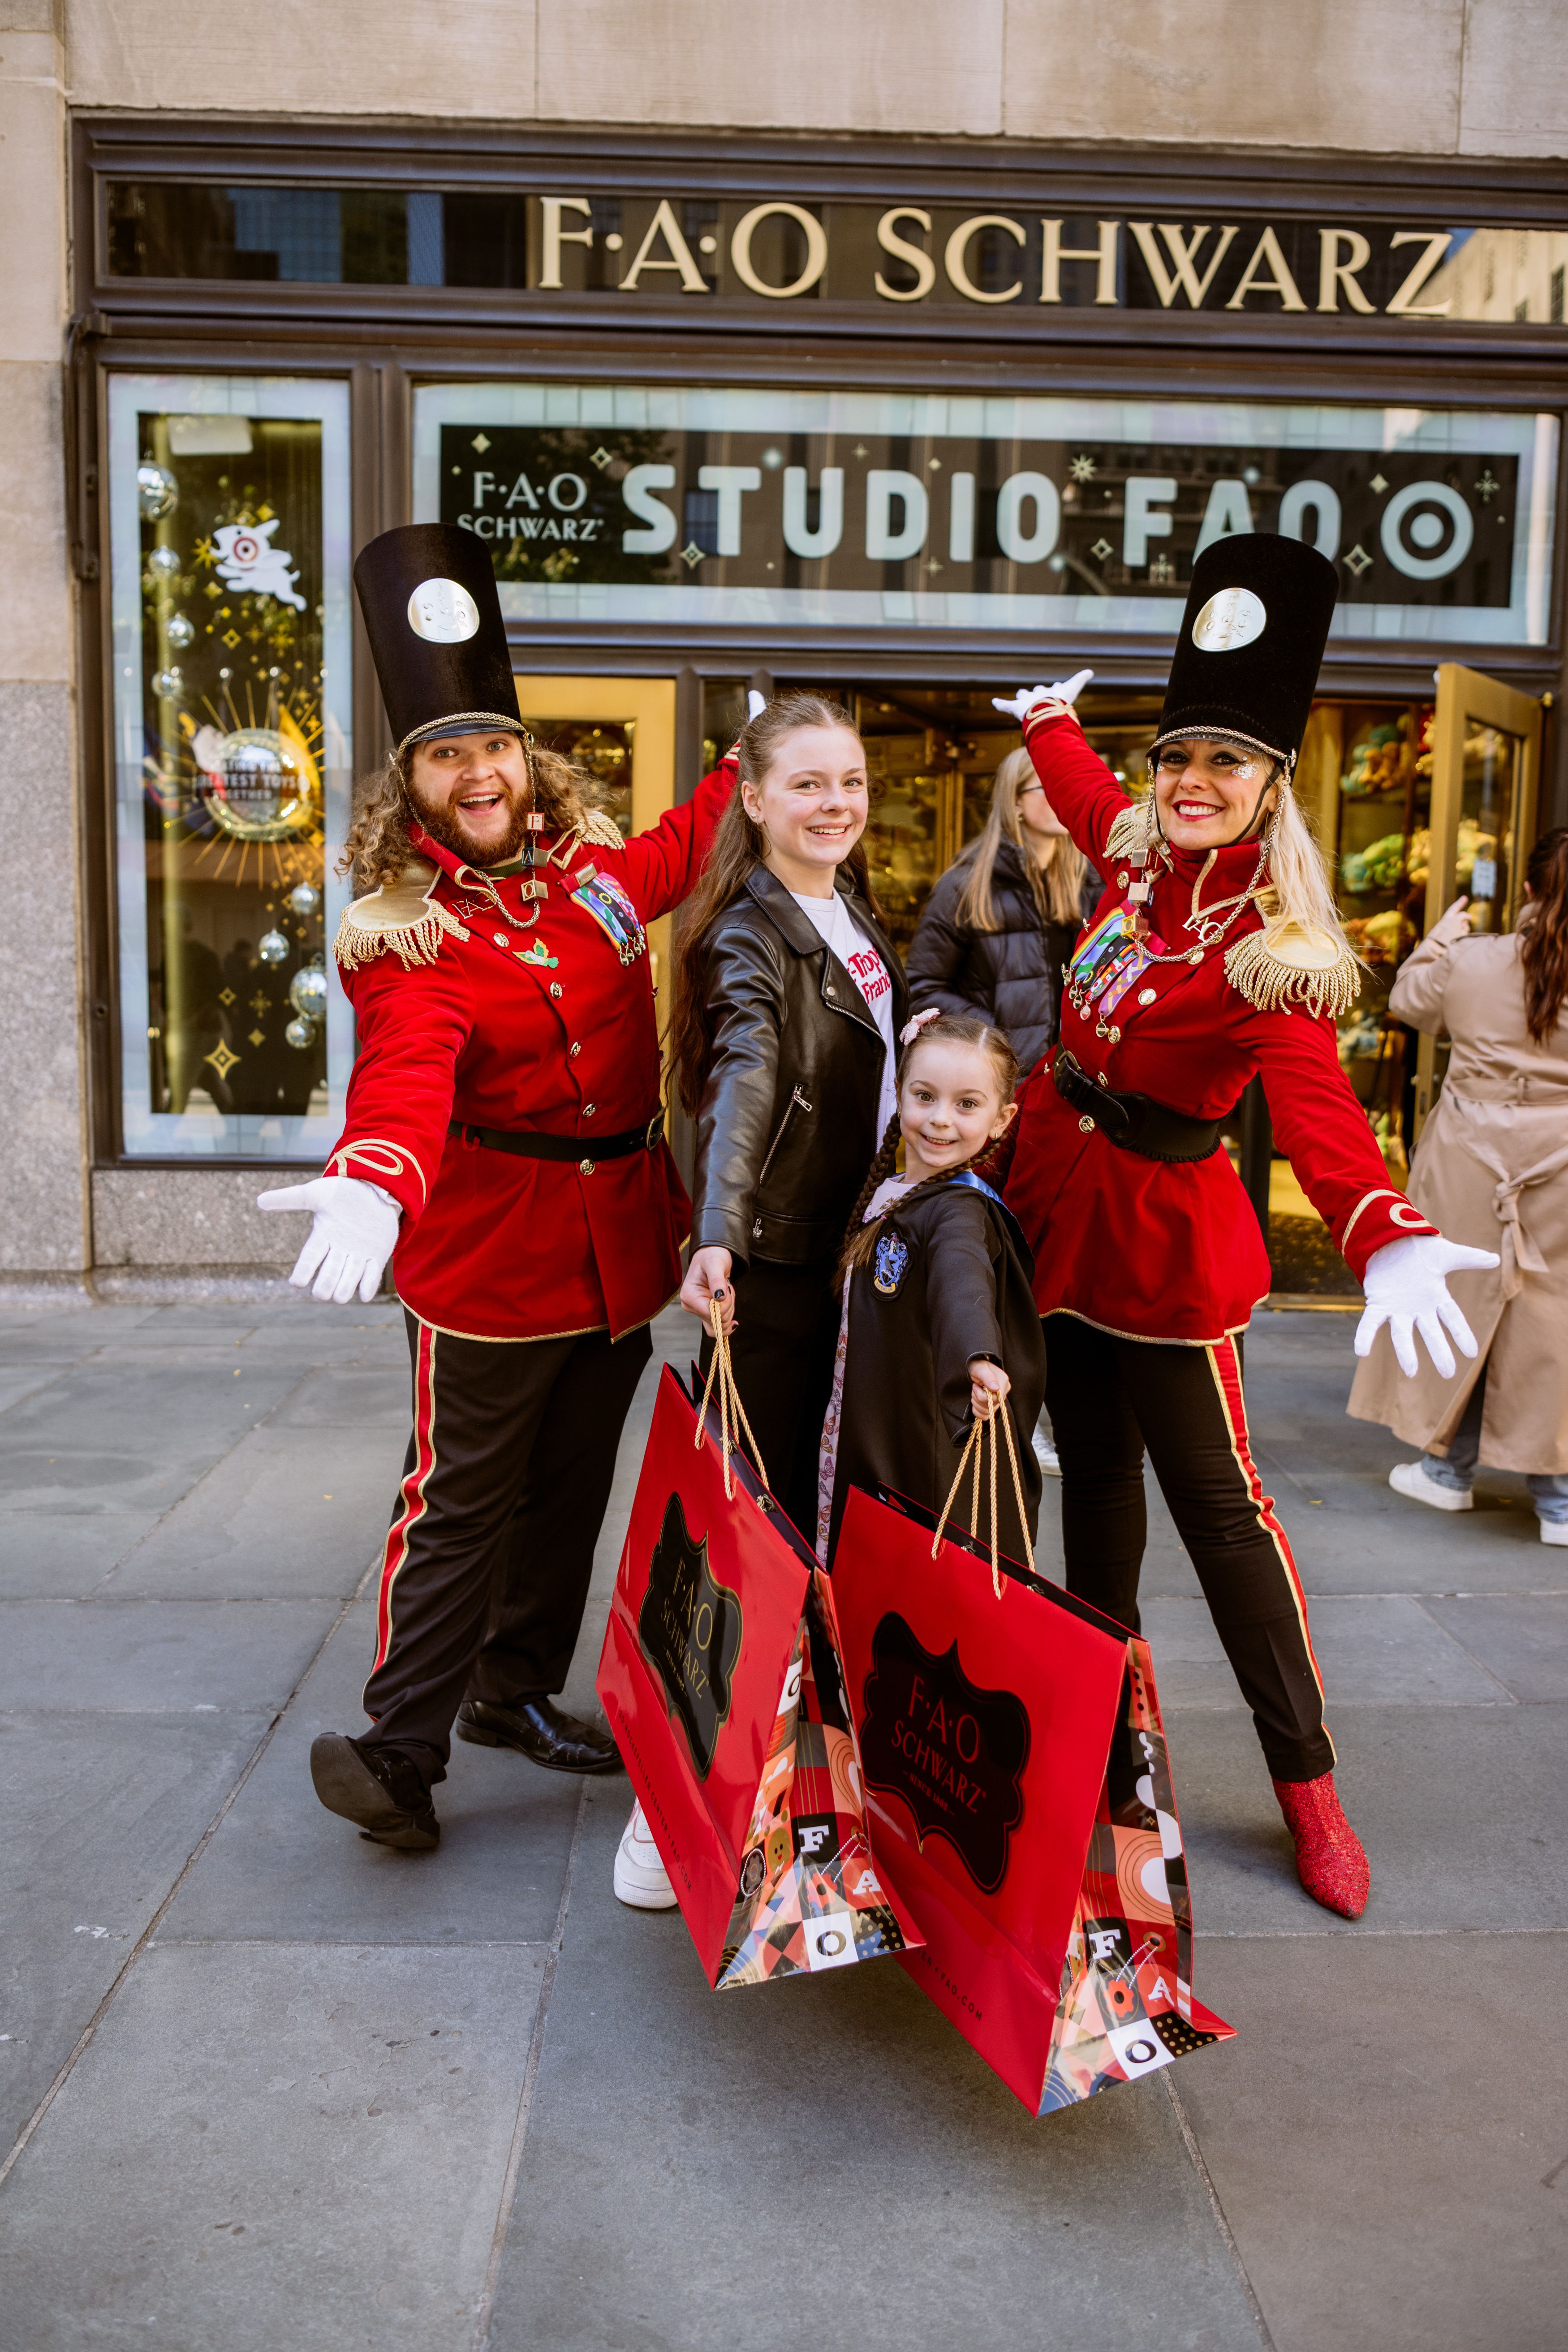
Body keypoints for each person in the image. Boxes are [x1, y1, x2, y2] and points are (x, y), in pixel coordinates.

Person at [992, 532, 1497, 1921]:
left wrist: (1379, 1227)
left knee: (1222, 1519)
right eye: (1177, 758)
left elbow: (1317, 1110)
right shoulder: (1132, 853)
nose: (1190, 783)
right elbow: (1088, 791)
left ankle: (1305, 1785)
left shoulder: (1268, 943)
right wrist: (1047, 722)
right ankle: (1105, 1743)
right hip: (1058, 1215)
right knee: (1088, 1494)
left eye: (1225, 762)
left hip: (1162, 1247)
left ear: (1270, 784)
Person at [256, 521, 733, 1854]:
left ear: (531, 763)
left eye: (494, 746)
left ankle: (510, 1693)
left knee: (571, 1487)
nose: (478, 772)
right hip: (484, 1259)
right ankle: (398, 1752)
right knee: (457, 1505)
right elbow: (406, 1069)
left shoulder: (582, 885)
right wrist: (372, 1176)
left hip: (614, 1250)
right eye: (447, 753)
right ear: (410, 782)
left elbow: (680, 851)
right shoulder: (408, 930)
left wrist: (759, 758)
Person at [615, 689, 908, 1911]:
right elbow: (743, 1080)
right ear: (751, 795)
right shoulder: (747, 932)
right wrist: (716, 1233)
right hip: (775, 1273)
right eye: (806, 783)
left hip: (842, 1263)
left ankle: (805, 1770)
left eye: (848, 779)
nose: (834, 802)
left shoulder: (850, 909)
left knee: (816, 1523)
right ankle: (665, 1807)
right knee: (750, 1539)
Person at [1349, 830, 1568, 1542]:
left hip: (1472, 1150)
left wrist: (1441, 938)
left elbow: (1410, 1004)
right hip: (1560, 1158)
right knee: (1551, 1316)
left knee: (1463, 1301)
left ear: (1529, 890)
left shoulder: (1475, 959)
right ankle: (1560, 1496)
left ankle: (1451, 1469)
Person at [816, 1008, 1047, 1569]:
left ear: (1001, 1118)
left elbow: (960, 1281)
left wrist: (976, 1356)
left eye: (967, 1104)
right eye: (924, 1096)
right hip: (863, 1420)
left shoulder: (959, 1212)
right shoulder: (894, 1190)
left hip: (912, 1447)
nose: (940, 1120)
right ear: (898, 1093)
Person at [905, 746, 1097, 1074]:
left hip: (1070, 1084)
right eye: (1048, 785)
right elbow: (922, 989)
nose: (1062, 795)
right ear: (1016, 800)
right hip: (999, 1079)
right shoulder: (967, 884)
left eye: (1067, 784)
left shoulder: (1089, 880)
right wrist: (1000, 1037)